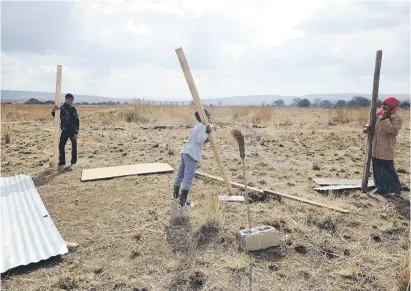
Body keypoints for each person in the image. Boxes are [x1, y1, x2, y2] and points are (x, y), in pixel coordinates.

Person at [363, 96, 403, 197]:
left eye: (386, 104)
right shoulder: (377, 115)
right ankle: (381, 188)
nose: (383, 106)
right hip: (375, 148)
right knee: (377, 170)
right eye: (382, 104)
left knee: (388, 170)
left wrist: (385, 118)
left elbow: (392, 131)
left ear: (392, 105)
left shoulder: (396, 117)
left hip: (386, 148)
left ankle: (395, 190)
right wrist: (367, 127)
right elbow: (370, 123)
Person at [173, 109, 212, 208]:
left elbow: (200, 140)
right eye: (208, 116)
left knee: (180, 174)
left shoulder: (197, 126)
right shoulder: (203, 127)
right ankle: (182, 204)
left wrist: (207, 134)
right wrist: (207, 132)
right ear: (203, 117)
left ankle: (175, 196)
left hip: (185, 152)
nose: (209, 118)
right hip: (192, 155)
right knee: (188, 178)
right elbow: (200, 140)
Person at [51, 93, 80, 168]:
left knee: (74, 146)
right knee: (61, 146)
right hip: (64, 130)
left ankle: (73, 162)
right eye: (70, 100)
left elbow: (77, 120)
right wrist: (53, 111)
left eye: (72, 100)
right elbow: (56, 117)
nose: (72, 102)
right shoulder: (62, 108)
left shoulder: (73, 109)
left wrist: (76, 132)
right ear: (66, 99)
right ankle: (62, 162)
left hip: (73, 131)